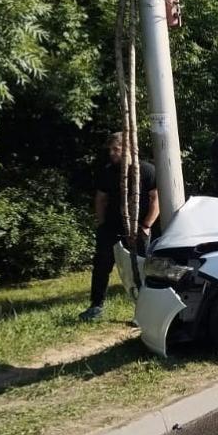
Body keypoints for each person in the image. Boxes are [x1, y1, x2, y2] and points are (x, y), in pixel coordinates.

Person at [81, 132, 158, 321]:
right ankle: (96, 307)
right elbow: (101, 198)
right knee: (101, 266)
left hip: (138, 227)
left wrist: (146, 225)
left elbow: (156, 199)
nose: (112, 153)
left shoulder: (146, 170)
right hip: (112, 227)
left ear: (129, 148)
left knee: (141, 268)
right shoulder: (108, 171)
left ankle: (144, 312)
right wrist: (101, 224)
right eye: (110, 150)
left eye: (116, 149)